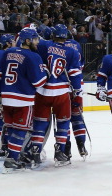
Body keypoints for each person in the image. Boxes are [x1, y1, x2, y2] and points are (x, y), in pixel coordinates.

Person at [0, 28, 49, 173]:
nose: (37, 42)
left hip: (6, 98)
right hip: (23, 99)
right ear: (27, 41)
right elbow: (39, 82)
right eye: (35, 39)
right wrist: (46, 72)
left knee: (10, 128)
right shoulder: (33, 57)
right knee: (20, 130)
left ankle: (11, 156)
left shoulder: (7, 53)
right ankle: (12, 160)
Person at [32, 24, 83, 167]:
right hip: (61, 92)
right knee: (63, 122)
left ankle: (35, 152)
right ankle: (60, 153)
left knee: (40, 122)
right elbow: (75, 74)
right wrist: (77, 90)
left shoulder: (43, 46)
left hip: (43, 91)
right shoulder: (71, 51)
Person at [63, 35, 88, 159]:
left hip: (61, 86)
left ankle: (66, 149)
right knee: (77, 117)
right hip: (78, 84)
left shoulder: (53, 46)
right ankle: (81, 145)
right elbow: (81, 64)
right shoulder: (76, 44)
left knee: (64, 119)